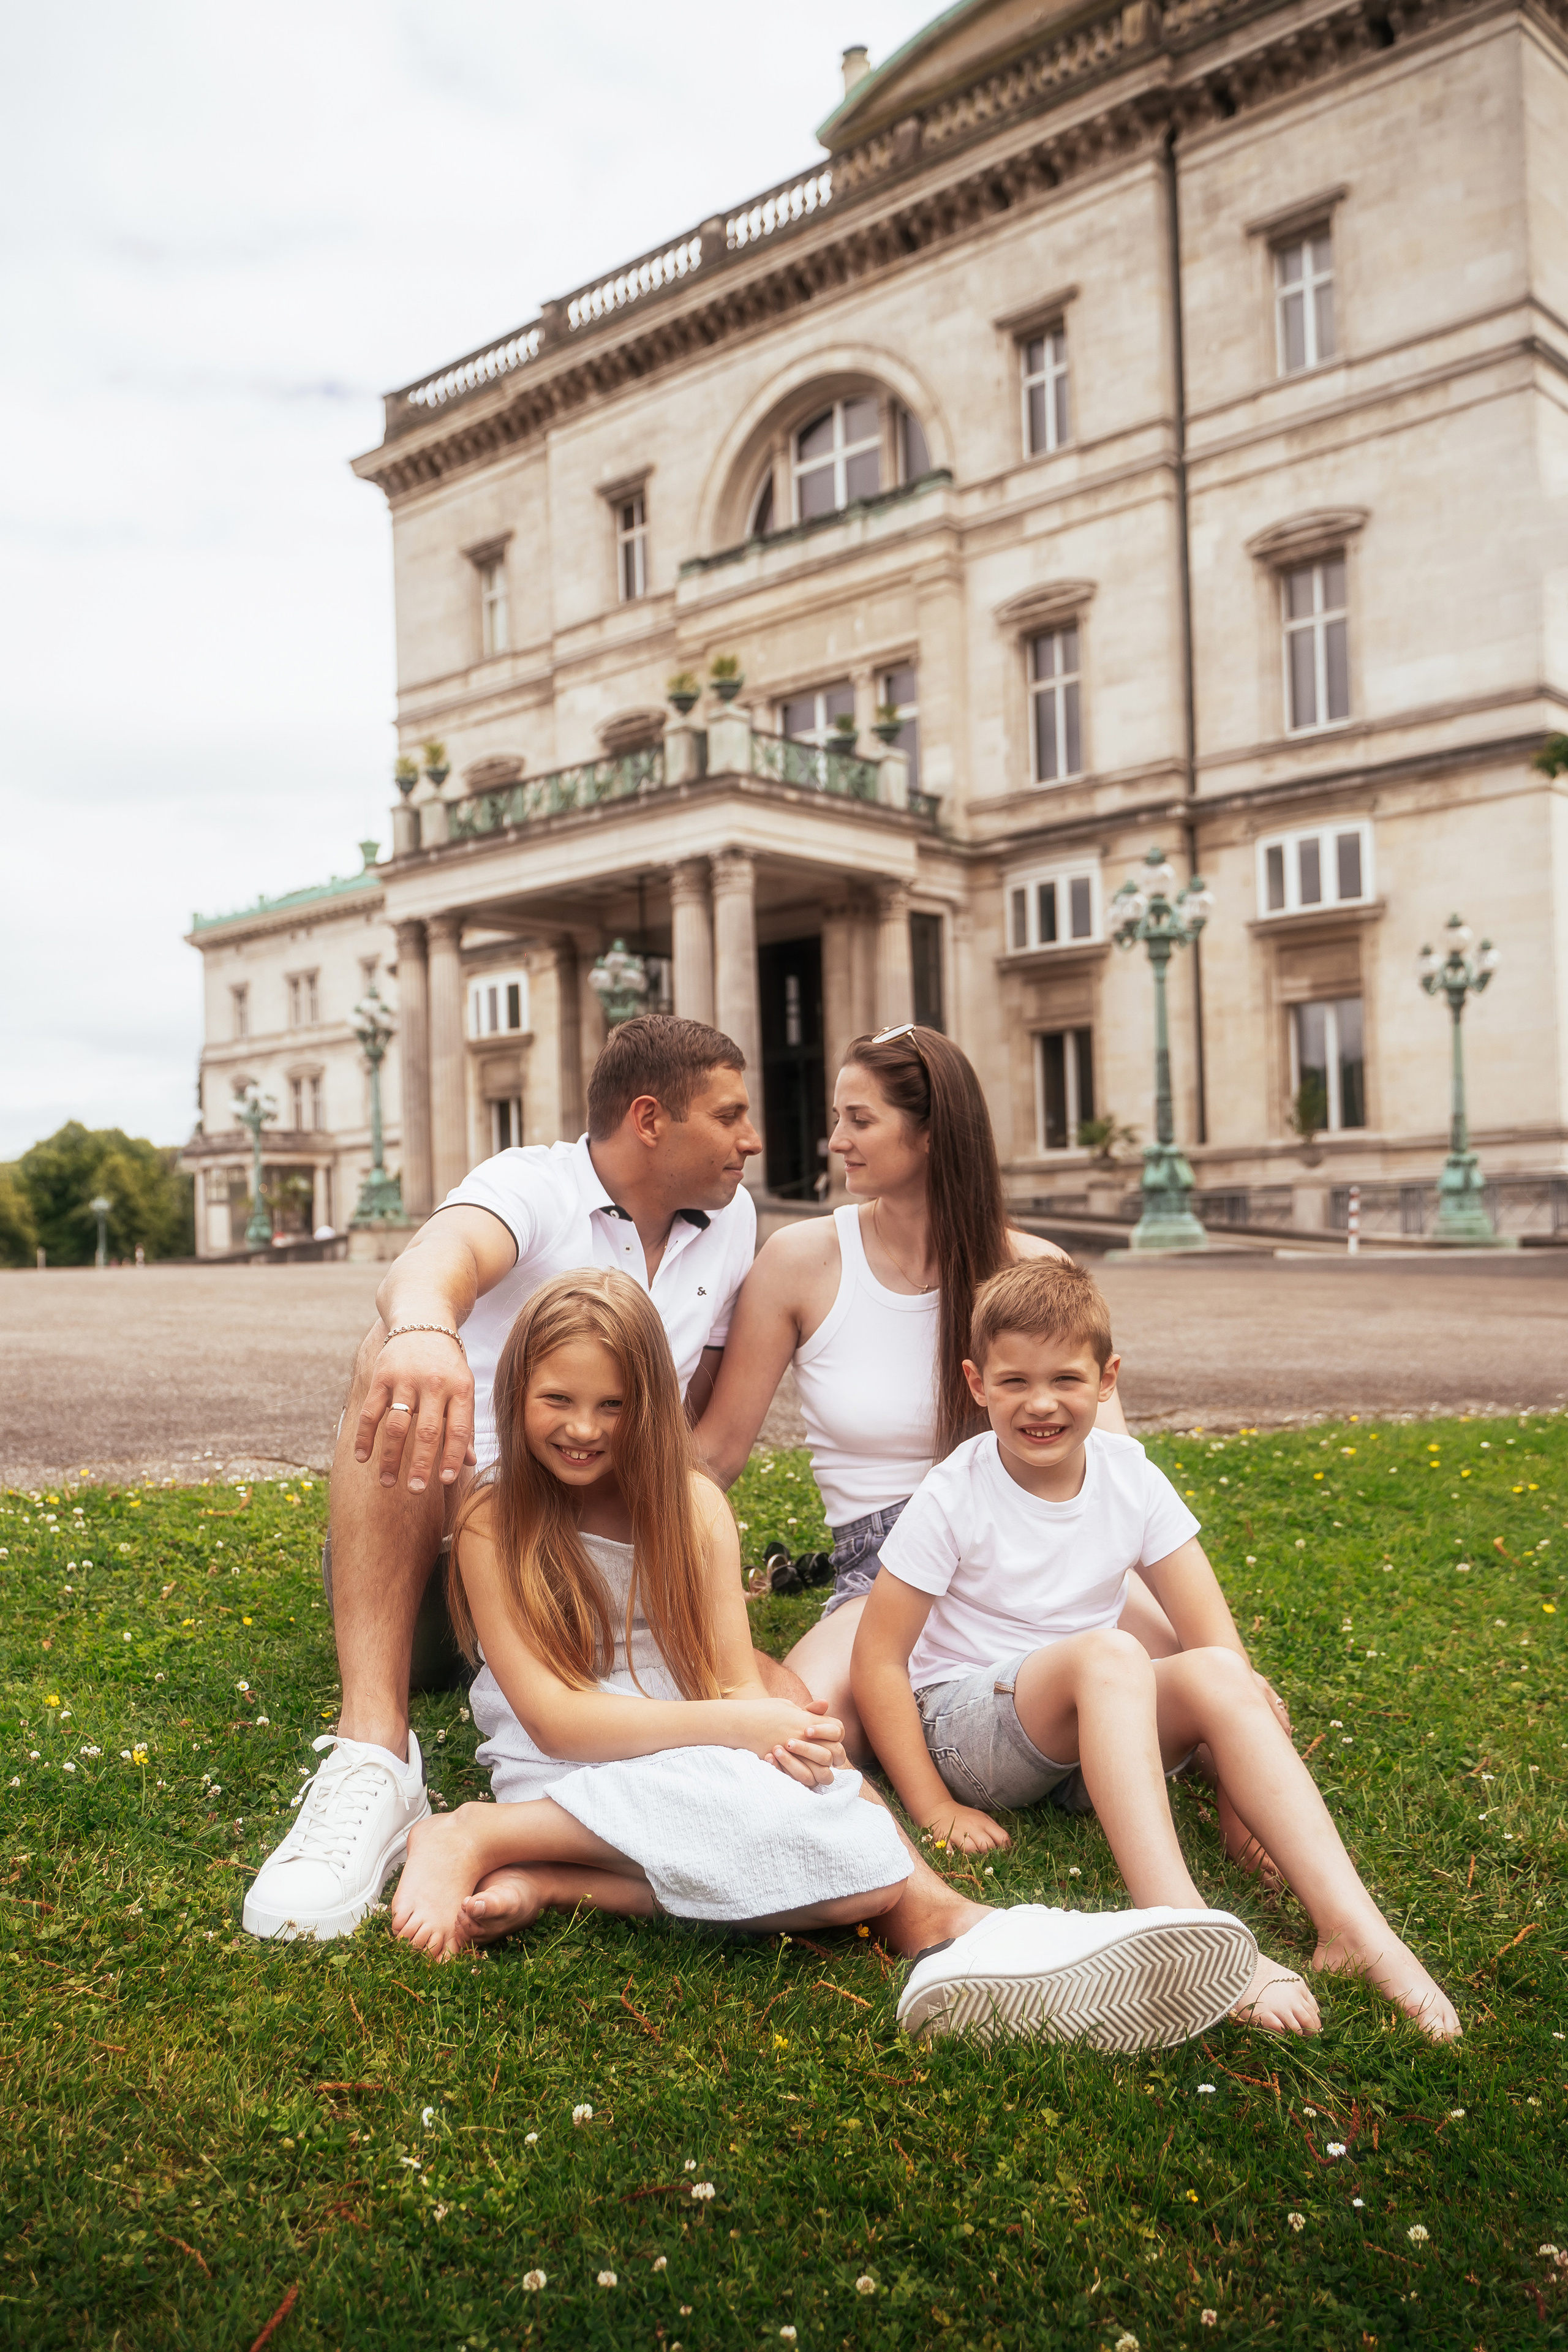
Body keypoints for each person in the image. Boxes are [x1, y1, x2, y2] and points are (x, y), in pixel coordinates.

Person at [389, 1267, 1262, 2049]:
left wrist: (775, 1738)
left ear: (650, 1405)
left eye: (612, 1405)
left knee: (837, 1859)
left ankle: (554, 1881)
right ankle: (474, 1832)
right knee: (804, 1836)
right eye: (558, 1401)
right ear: (519, 1394)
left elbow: (732, 1675)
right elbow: (556, 1716)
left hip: (697, 1735)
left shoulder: (691, 1507)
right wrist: (746, 1724)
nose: (584, 1429)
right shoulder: (492, 1521)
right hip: (574, 1757)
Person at [244, 1015, 789, 1943]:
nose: (753, 1138)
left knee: (770, 1707)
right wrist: (425, 1332)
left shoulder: (733, 1222)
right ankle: (373, 1751)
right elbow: (435, 1262)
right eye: (732, 1115)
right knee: (398, 1356)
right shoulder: (531, 1186)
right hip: (454, 1557)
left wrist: (689, 1574)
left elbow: (690, 1438)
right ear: (651, 1118)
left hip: (592, 1583)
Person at [851, 1257, 1462, 2041]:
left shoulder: (1130, 1477)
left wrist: (1242, 1812)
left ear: (1107, 1379)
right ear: (976, 1384)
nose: (1041, 1404)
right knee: (1111, 1652)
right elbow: (878, 1658)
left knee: (1215, 1671)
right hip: (974, 1731)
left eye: (1065, 1379)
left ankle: (1354, 1932)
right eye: (1013, 1383)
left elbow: (1215, 1642)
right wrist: (935, 1806)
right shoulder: (953, 1491)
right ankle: (1185, 1927)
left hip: (1099, 1736)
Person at [693, 1025, 1283, 1815]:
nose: (836, 1140)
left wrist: (1185, 1632)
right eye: (838, 1118)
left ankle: (1256, 1825)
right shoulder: (800, 1261)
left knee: (1228, 1691)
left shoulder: (1034, 1267)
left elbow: (1111, 1464)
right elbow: (719, 1454)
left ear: (932, 1132)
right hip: (888, 1564)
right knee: (805, 1734)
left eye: (860, 1120)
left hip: (1048, 1542)